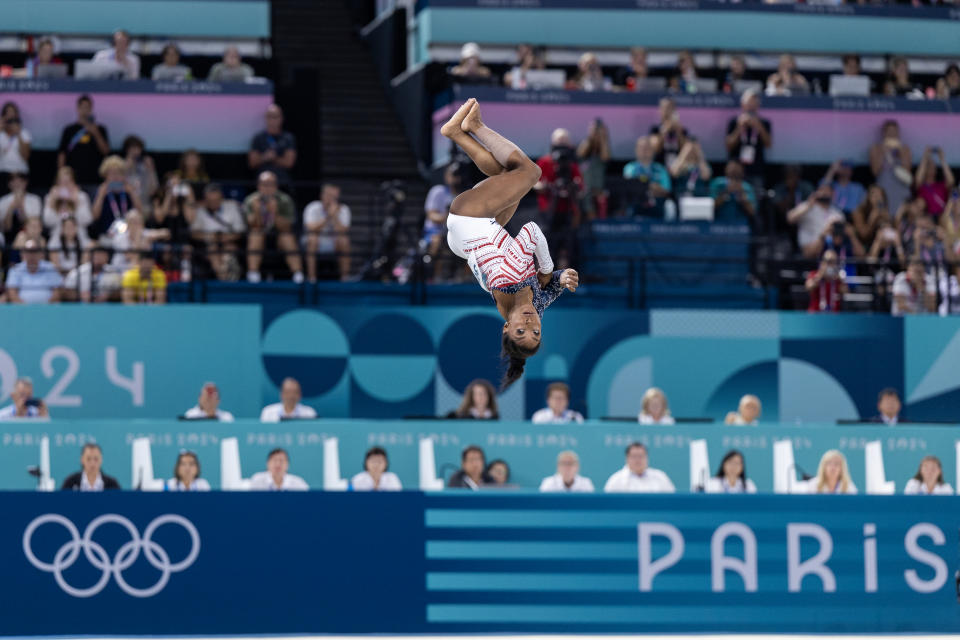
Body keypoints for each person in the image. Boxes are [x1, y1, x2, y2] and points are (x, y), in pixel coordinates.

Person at [439, 99, 578, 389]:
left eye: (520, 331)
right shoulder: (532, 307)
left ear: (507, 327)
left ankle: (475, 127)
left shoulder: (510, 280)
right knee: (506, 177)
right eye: (536, 333)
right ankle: (456, 132)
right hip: (474, 239)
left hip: (470, 217)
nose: (530, 325)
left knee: (529, 173)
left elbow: (531, 232)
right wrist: (561, 278)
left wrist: (547, 268)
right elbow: (550, 289)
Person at [244, 171, 304, 283]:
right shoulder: (250, 200)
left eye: (270, 184)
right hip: (260, 234)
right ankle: (253, 274)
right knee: (255, 234)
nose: (267, 188)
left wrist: (274, 213)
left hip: (279, 235)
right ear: (258, 185)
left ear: (276, 186)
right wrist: (257, 212)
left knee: (287, 237)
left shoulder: (285, 200)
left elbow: (287, 227)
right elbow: (252, 226)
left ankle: (298, 274)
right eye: (264, 184)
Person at [536, 127, 583, 268]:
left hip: (568, 211)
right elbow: (535, 183)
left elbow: (580, 187)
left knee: (569, 244)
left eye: (564, 141)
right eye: (559, 141)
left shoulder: (572, 164)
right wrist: (544, 187)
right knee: (548, 244)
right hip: (549, 211)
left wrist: (572, 187)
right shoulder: (544, 162)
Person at [192, 183, 245, 280]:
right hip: (209, 245)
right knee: (213, 251)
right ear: (205, 200)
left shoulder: (232, 207)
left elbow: (240, 231)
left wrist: (226, 237)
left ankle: (229, 279)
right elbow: (194, 233)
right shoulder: (201, 211)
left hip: (230, 243)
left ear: (222, 198)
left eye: (216, 200)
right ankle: (223, 280)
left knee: (227, 252)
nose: (213, 204)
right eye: (210, 201)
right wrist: (210, 237)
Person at [57, 95, 110, 187]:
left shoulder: (100, 129)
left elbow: (105, 151)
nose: (85, 110)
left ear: (91, 109)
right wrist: (60, 175)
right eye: (83, 107)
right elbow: (62, 154)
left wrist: (95, 133)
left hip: (95, 178)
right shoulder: (69, 130)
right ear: (78, 108)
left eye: (88, 107)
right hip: (73, 179)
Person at [422, 163, 463, 279]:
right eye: (452, 174)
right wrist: (448, 217)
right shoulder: (437, 191)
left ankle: (464, 277)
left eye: (457, 175)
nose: (455, 178)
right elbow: (431, 215)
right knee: (437, 241)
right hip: (433, 232)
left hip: (453, 233)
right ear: (446, 176)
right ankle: (433, 276)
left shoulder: (462, 195)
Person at [303, 184, 351, 282]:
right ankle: (312, 278)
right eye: (329, 196)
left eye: (335, 197)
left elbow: (343, 231)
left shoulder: (344, 209)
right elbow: (311, 228)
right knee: (312, 239)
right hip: (316, 241)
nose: (332, 199)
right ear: (322, 196)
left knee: (344, 240)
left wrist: (335, 217)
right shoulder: (312, 207)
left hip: (334, 242)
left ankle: (344, 278)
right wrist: (328, 217)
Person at [725, 89, 772, 190]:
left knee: (754, 199)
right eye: (748, 104)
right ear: (742, 105)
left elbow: (768, 144)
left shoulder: (764, 123)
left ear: (758, 106)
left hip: (756, 170)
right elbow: (729, 146)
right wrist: (739, 129)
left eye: (753, 104)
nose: (751, 107)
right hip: (736, 171)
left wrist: (759, 127)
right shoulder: (734, 122)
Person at [90, 155, 144, 239]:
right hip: (106, 235)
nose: (115, 176)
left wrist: (132, 193)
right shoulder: (101, 191)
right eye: (111, 173)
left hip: (127, 235)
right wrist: (101, 195)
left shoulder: (128, 190)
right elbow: (94, 216)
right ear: (105, 176)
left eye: (119, 173)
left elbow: (140, 213)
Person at [787, 184, 845, 258]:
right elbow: (790, 219)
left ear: (833, 194)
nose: (825, 193)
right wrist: (809, 204)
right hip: (808, 252)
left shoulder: (837, 213)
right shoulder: (807, 206)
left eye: (828, 191)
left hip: (831, 252)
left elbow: (839, 239)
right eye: (822, 190)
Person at [870, 120, 913, 215]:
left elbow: (907, 171)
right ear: (884, 133)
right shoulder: (875, 148)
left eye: (894, 132)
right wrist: (884, 151)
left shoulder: (905, 149)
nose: (892, 134)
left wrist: (900, 152)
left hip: (900, 186)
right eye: (889, 132)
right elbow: (875, 171)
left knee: (901, 213)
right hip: (884, 186)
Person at [248, 104, 297, 188]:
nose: (273, 120)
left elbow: (289, 163)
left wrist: (274, 158)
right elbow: (252, 163)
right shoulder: (258, 138)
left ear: (281, 118)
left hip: (282, 182)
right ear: (266, 118)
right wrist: (264, 157)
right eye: (270, 117)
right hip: (261, 184)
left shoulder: (288, 138)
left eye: (275, 117)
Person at [623, 135, 672, 218]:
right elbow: (630, 188)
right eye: (641, 147)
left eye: (647, 147)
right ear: (636, 150)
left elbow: (666, 191)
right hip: (636, 204)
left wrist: (644, 185)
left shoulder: (660, 169)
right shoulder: (630, 168)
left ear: (653, 150)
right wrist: (652, 186)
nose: (644, 150)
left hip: (657, 205)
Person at [604, 442, 675, 493]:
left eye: (641, 456)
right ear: (627, 458)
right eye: (634, 456)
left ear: (647, 457)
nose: (638, 460)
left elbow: (672, 501)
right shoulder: (616, 480)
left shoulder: (660, 477)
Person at [43, 167, 93, 239]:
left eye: (68, 182)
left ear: (73, 182)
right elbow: (47, 222)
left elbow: (87, 221)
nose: (65, 185)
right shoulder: (50, 197)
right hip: (57, 238)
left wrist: (77, 203)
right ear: (57, 183)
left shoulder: (81, 196)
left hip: (79, 237)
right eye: (61, 182)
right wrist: (53, 202)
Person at [5, 239, 61, 304]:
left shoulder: (50, 268)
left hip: (47, 310)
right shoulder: (15, 269)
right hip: (22, 311)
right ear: (23, 254)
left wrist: (45, 308)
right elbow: (12, 293)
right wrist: (25, 309)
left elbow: (57, 291)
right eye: (28, 251)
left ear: (41, 254)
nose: (31, 255)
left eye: (34, 251)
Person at [577, 119, 611, 219]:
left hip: (598, 187)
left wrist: (603, 138)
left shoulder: (604, 147)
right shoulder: (586, 144)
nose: (596, 132)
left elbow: (606, 157)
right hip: (584, 187)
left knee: (601, 204)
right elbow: (581, 153)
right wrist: (591, 138)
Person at [914, 146, 955, 218]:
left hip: (942, 218)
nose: (931, 168)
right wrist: (925, 158)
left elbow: (951, 181)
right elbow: (918, 179)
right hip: (926, 218)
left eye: (933, 167)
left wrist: (942, 159)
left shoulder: (941, 185)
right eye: (928, 166)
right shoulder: (922, 186)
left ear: (936, 170)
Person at [122, 135, 159, 215]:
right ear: (127, 150)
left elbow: (153, 189)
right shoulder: (120, 165)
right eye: (132, 148)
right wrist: (125, 168)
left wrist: (151, 170)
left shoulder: (145, 166)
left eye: (137, 148)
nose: (135, 152)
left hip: (145, 205)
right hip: (126, 206)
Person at [0, 173, 42, 239]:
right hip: (7, 236)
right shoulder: (3, 201)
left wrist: (21, 207)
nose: (17, 184)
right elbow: (6, 227)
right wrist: (11, 207)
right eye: (14, 181)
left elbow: (33, 224)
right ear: (9, 184)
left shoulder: (35, 199)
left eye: (20, 181)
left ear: (26, 183)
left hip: (30, 235)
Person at [649, 97, 688, 167]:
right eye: (664, 108)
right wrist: (665, 129)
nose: (667, 111)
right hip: (660, 166)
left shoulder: (682, 130)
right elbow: (655, 149)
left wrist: (678, 132)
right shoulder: (655, 129)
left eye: (670, 108)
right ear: (660, 110)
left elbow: (685, 150)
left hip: (679, 167)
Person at [0, 102, 31, 182]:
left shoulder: (24, 134)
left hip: (20, 172)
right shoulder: (1, 133)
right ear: (3, 116)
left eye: (13, 112)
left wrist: (18, 134)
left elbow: (25, 156)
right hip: (2, 171)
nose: (10, 116)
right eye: (8, 113)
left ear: (17, 115)